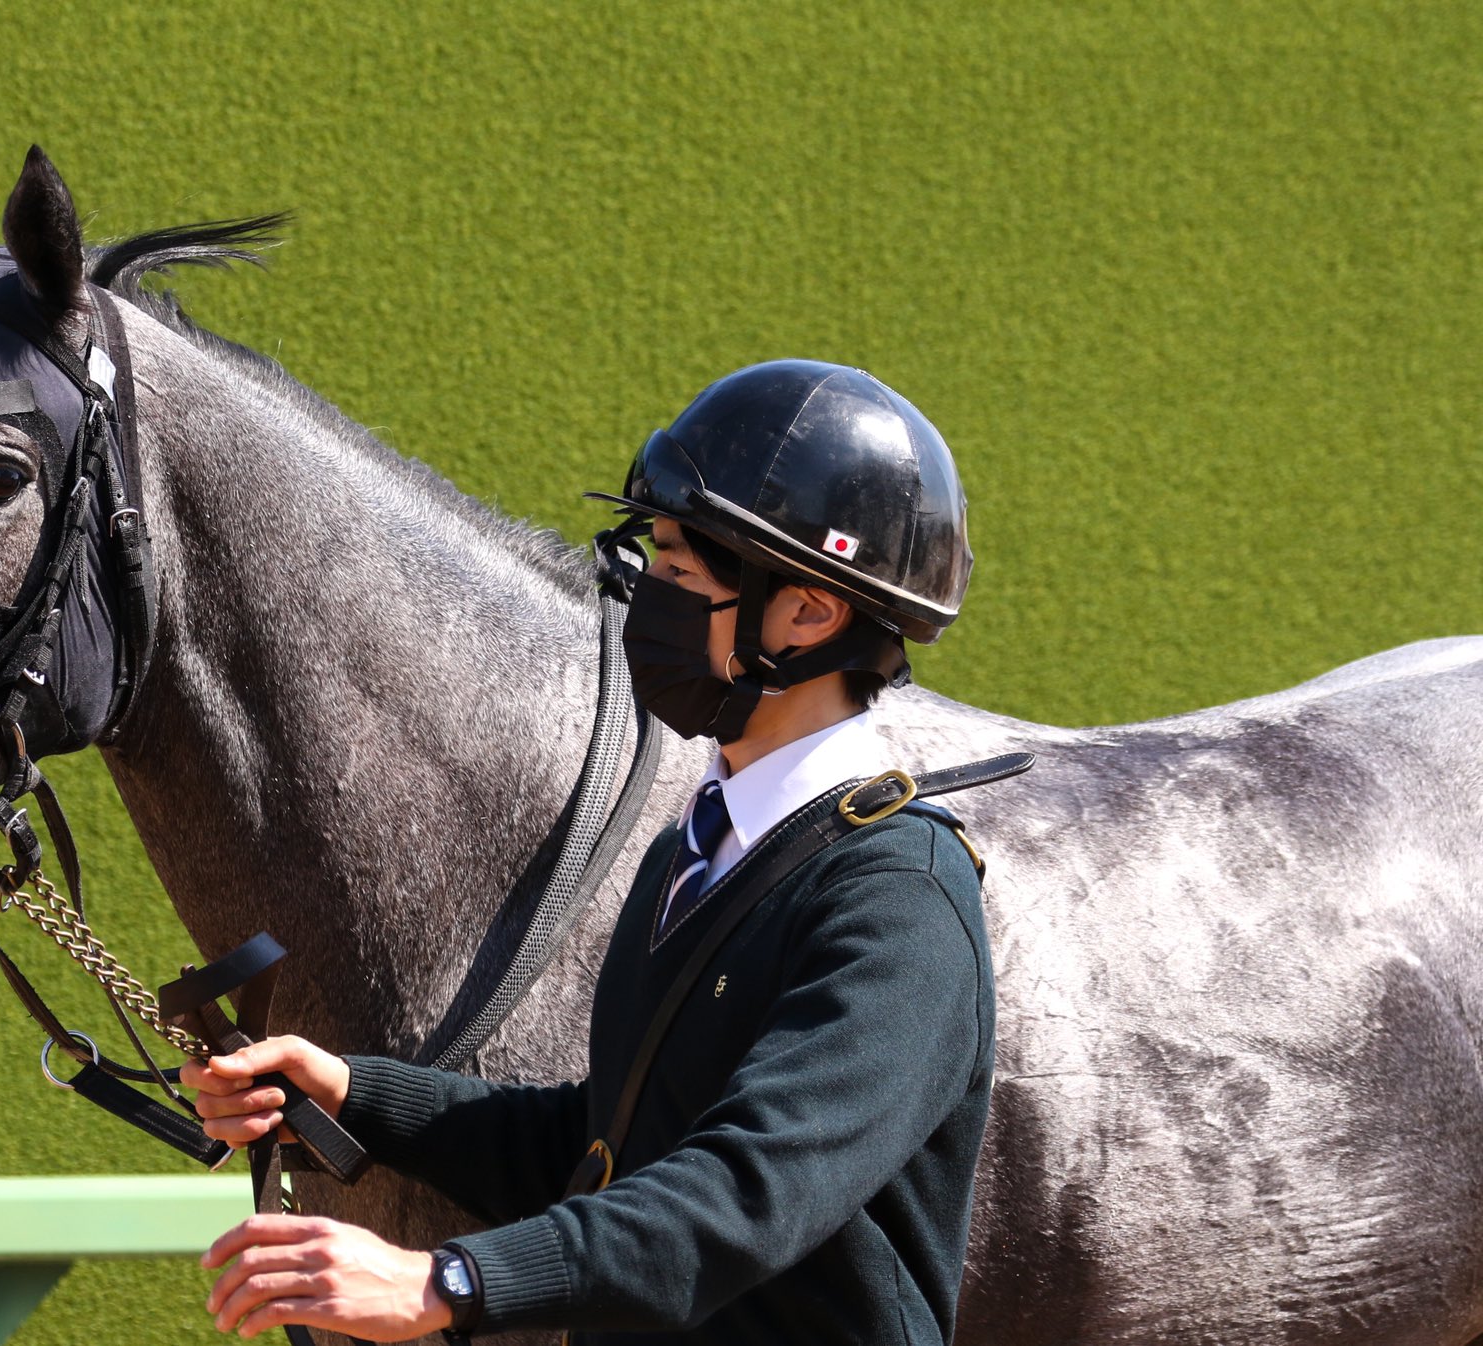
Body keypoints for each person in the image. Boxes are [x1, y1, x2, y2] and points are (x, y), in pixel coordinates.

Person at [184, 359, 991, 1344]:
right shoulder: (695, 851)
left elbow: (742, 1193)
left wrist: (441, 1279)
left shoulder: (899, 897)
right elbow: (606, 1138)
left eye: (680, 573)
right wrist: (357, 1091)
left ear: (808, 613)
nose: (642, 601)